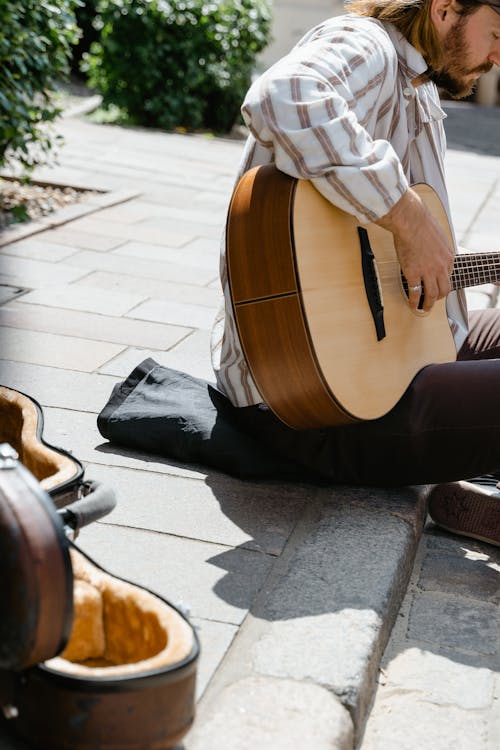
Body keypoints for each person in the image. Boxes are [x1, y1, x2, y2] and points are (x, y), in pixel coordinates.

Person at [211, 0, 500, 546]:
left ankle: (474, 487)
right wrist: (409, 218)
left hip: (382, 360)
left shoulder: (415, 85)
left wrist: (435, 247)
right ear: (444, 10)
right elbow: (284, 96)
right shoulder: (368, 44)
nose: (498, 56)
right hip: (317, 403)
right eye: (496, 33)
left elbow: (380, 255)